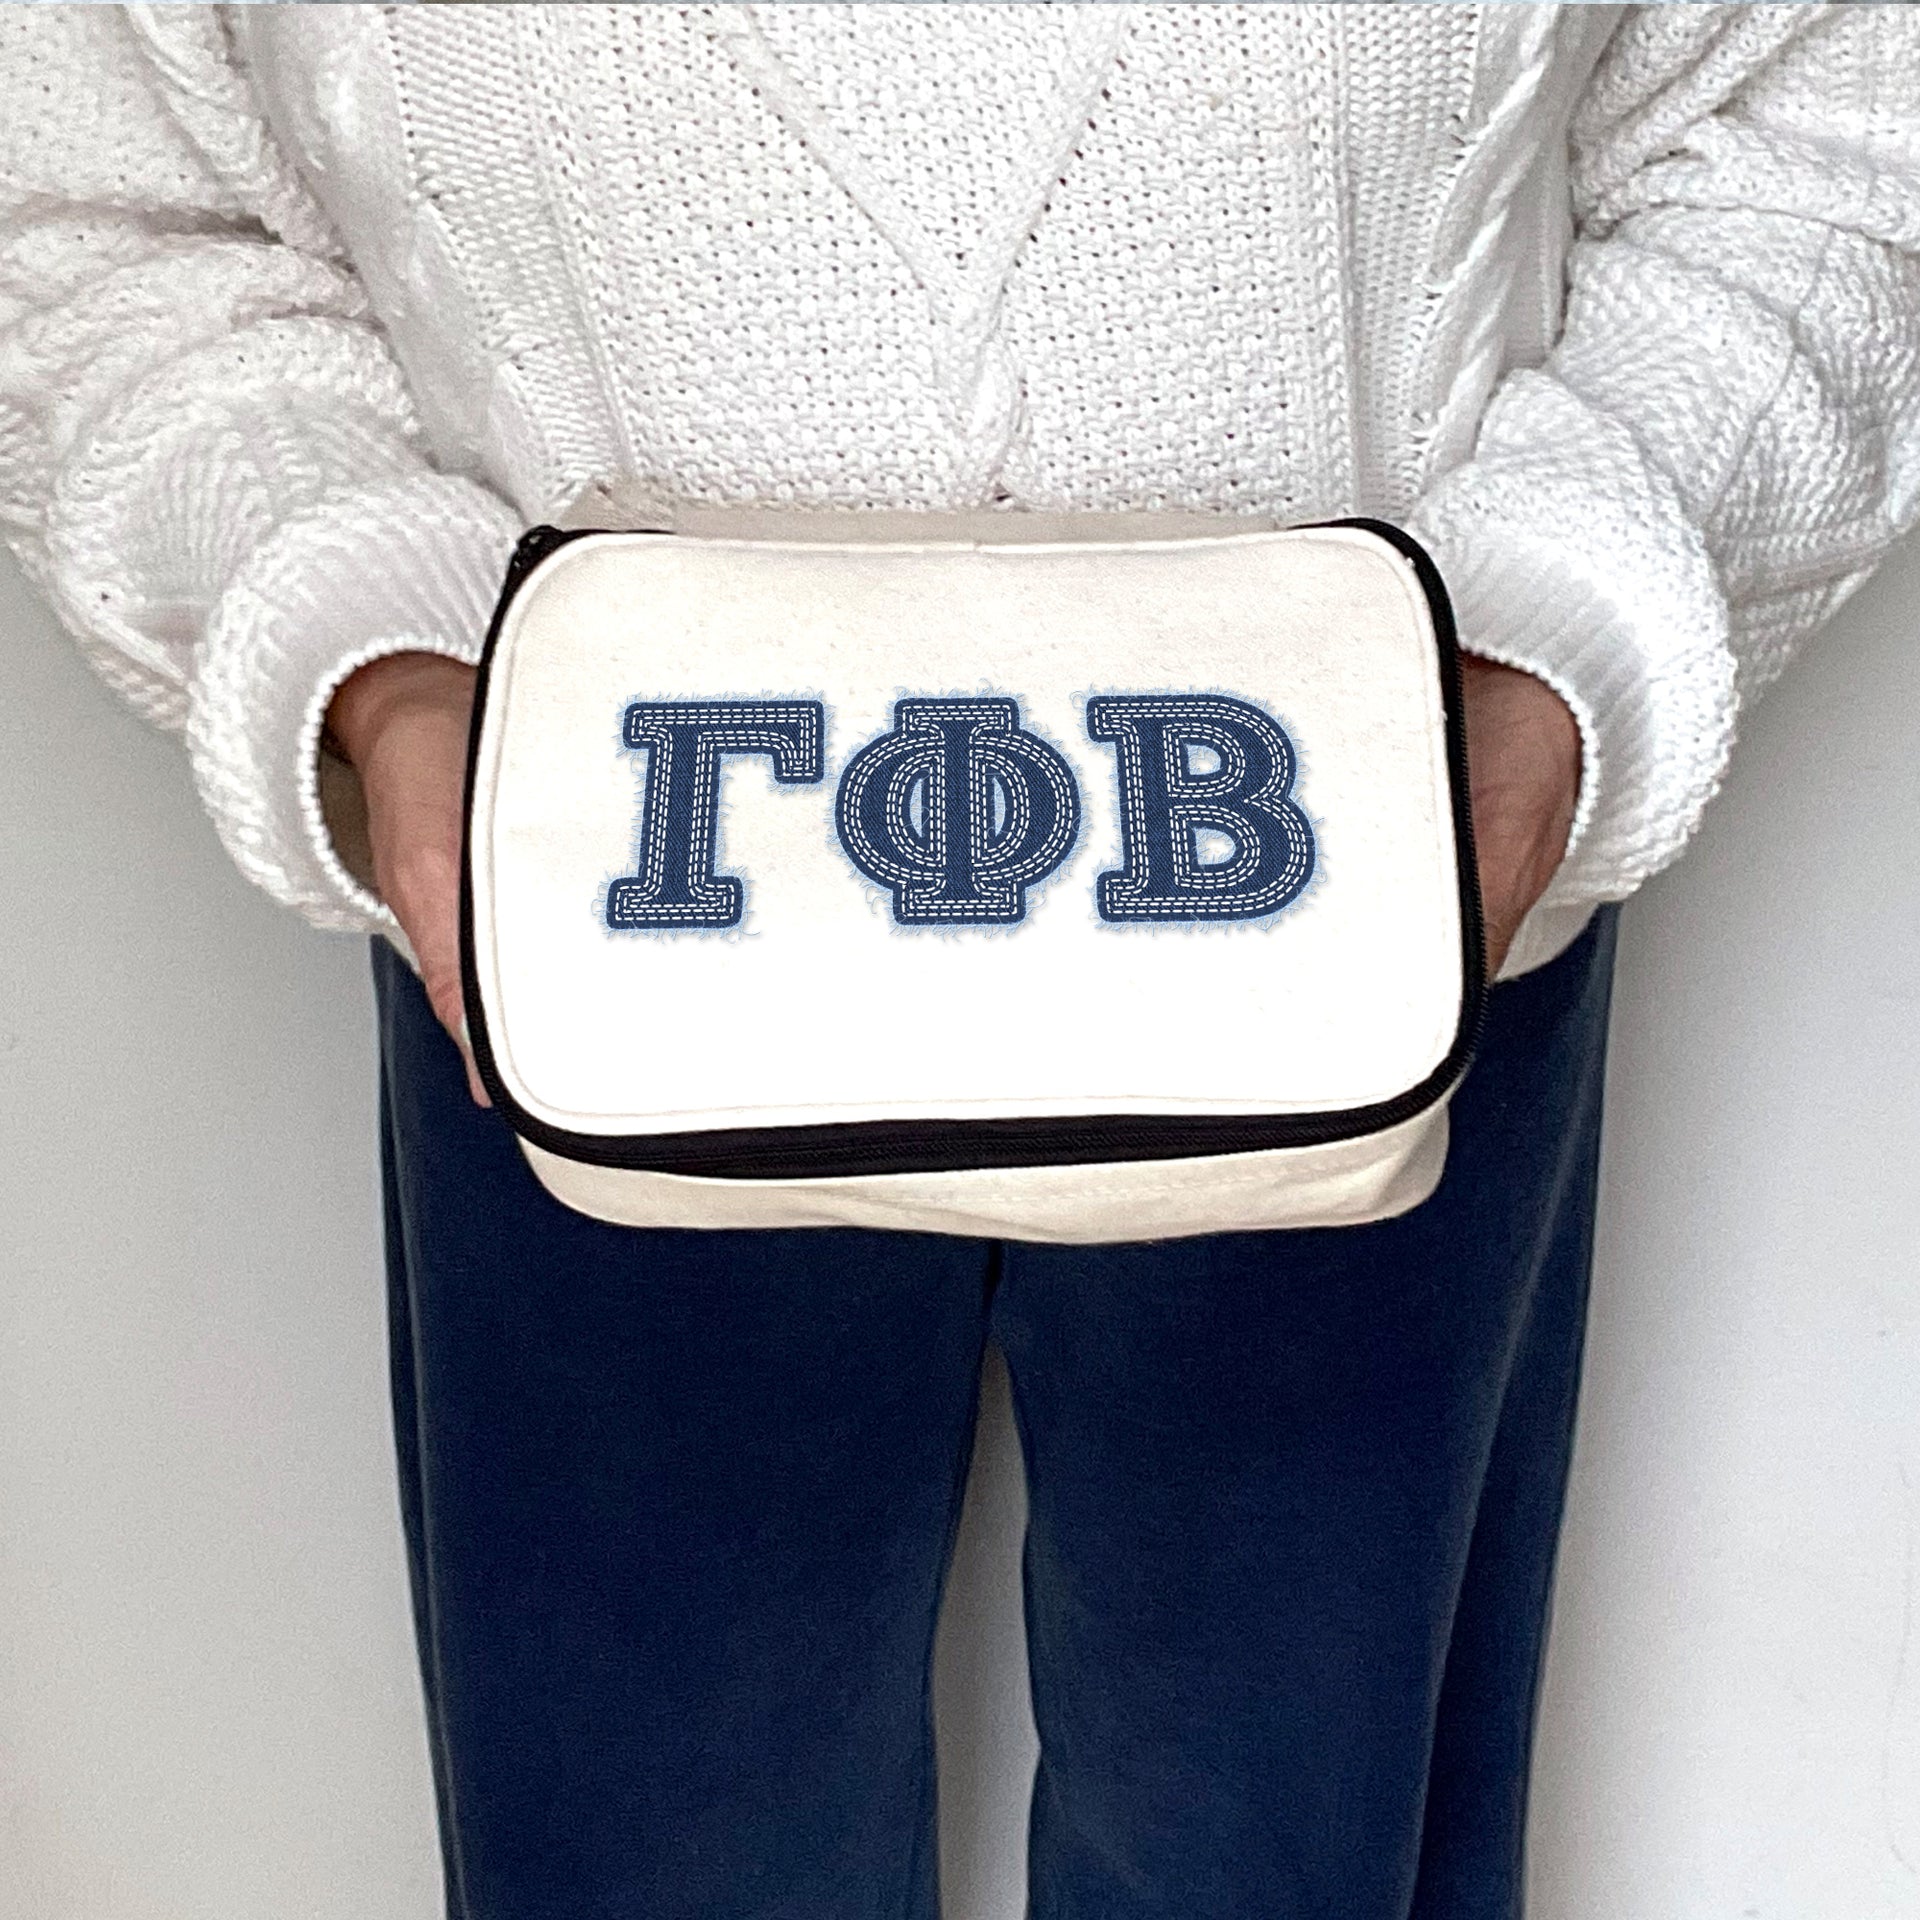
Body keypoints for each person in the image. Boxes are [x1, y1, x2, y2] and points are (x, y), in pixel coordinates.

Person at [4, 4, 1915, 1915]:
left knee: (1295, 1853)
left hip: (1375, 870)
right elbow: (96, 200)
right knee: (650, 1852)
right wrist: (376, 655)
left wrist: (1559, 640)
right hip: (601, 901)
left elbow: (1839, 102)